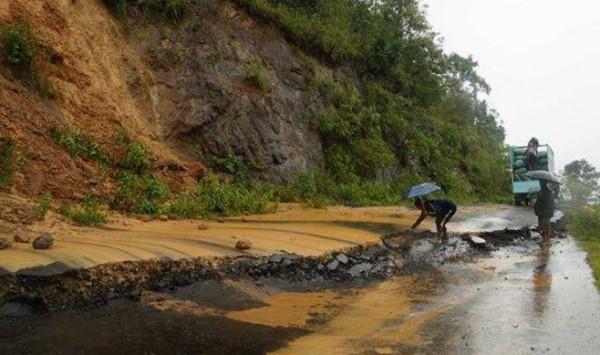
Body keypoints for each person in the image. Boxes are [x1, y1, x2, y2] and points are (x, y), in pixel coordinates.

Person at [534, 180, 555, 246]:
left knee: (546, 228)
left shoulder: (549, 193)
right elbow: (538, 202)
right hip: (540, 213)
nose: (540, 185)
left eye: (541, 183)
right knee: (541, 227)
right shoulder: (540, 192)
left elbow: (550, 204)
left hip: (546, 213)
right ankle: (544, 240)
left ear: (544, 184)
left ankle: (546, 241)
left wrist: (548, 212)